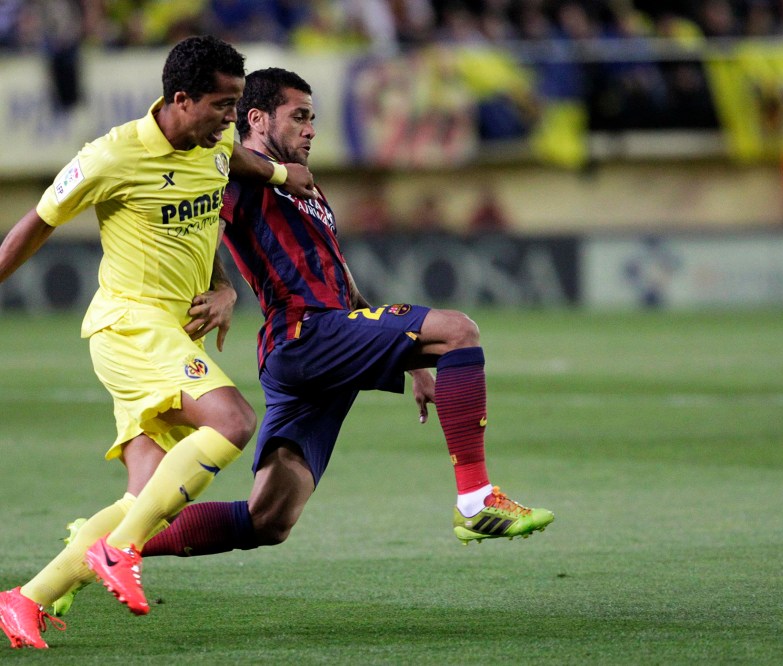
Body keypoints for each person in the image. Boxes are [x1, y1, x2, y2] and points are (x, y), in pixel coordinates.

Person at [82, 68, 553, 572]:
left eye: (313, 119)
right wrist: (220, 286)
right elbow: (197, 230)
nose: (311, 129)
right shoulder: (234, 172)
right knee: (459, 330)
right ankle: (476, 499)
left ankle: (108, 547)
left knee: (269, 519)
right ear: (257, 119)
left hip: (322, 339)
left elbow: (340, 277)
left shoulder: (302, 183)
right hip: (305, 333)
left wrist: (416, 362)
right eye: (299, 117)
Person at [0, 35, 317, 650]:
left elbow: (232, 170)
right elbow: (33, 225)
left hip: (167, 331)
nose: (233, 119)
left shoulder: (214, 142)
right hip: (129, 325)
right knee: (231, 419)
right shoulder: (110, 157)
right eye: (223, 105)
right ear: (180, 99)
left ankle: (23, 599)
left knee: (150, 498)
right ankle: (118, 553)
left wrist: (281, 175)